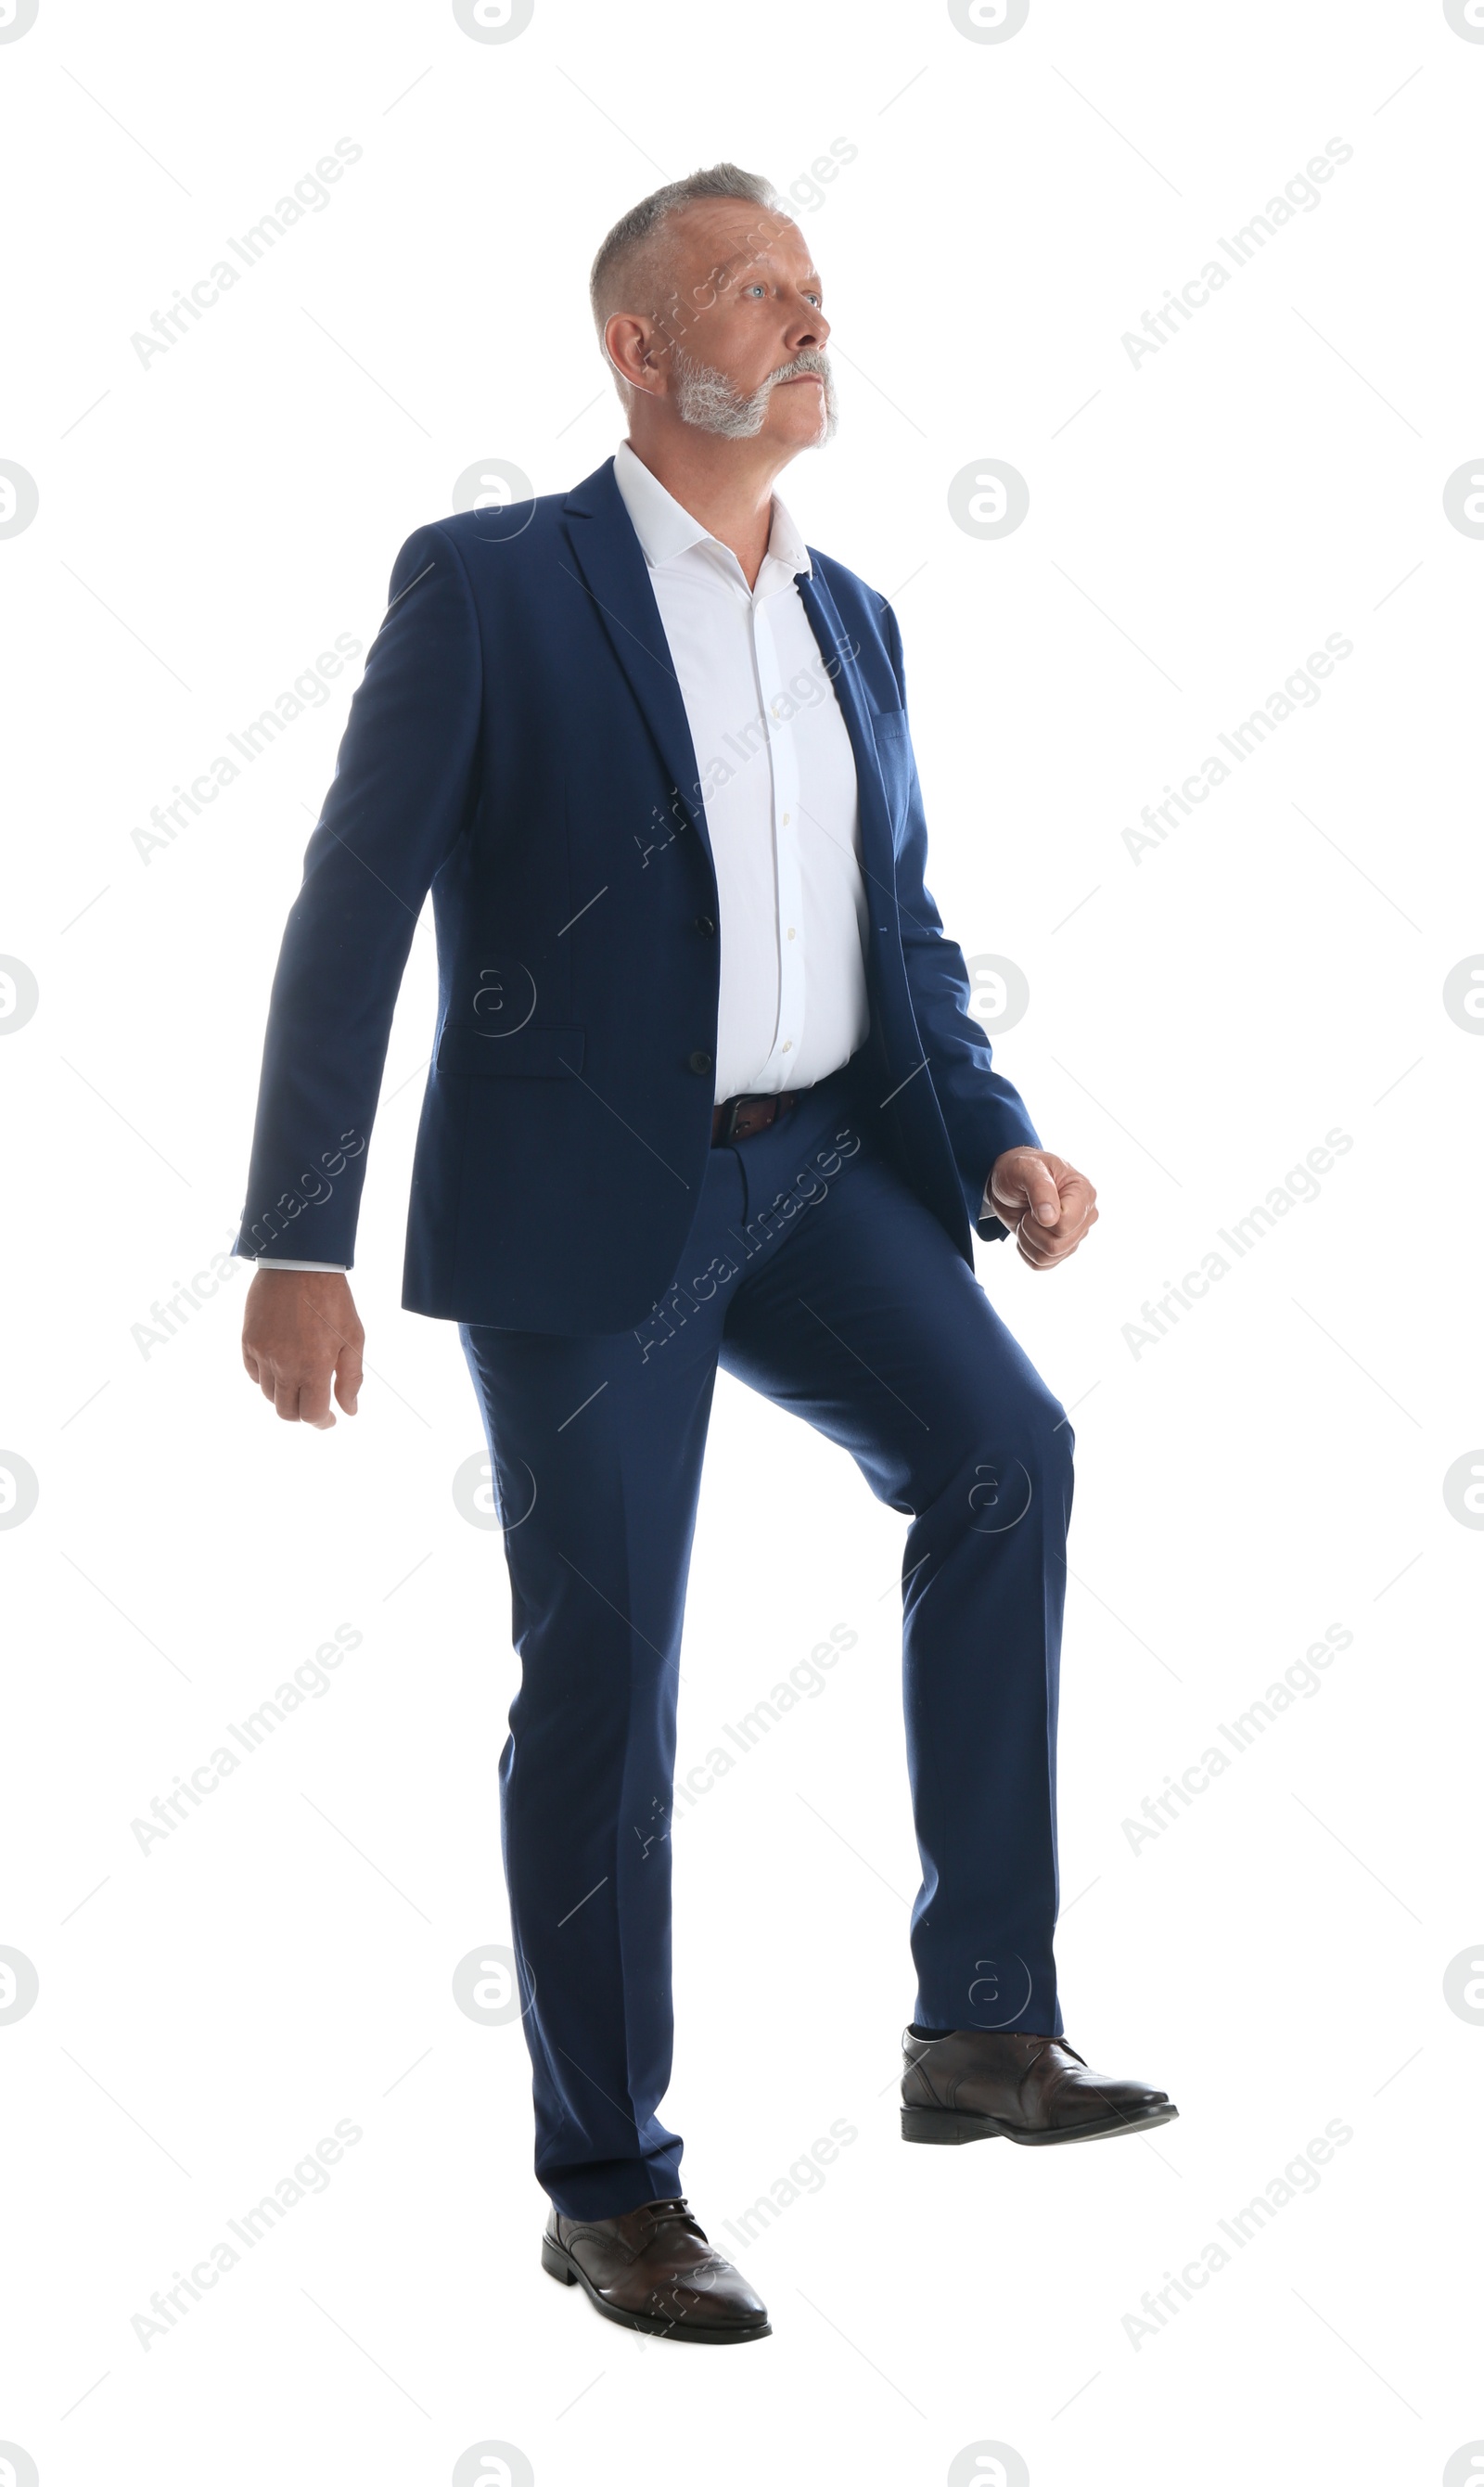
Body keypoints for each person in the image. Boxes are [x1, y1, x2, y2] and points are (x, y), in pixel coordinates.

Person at [236, 161, 1176, 2348]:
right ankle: (607, 2184)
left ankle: (980, 2031)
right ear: (640, 351)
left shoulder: (850, 617)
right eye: (760, 289)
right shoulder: (491, 587)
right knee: (607, 1680)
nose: (808, 312)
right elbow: (347, 910)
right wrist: (298, 1239)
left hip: (814, 1175)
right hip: (580, 1214)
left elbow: (895, 936)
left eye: (816, 284)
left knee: (1004, 1455)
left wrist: (997, 1142)